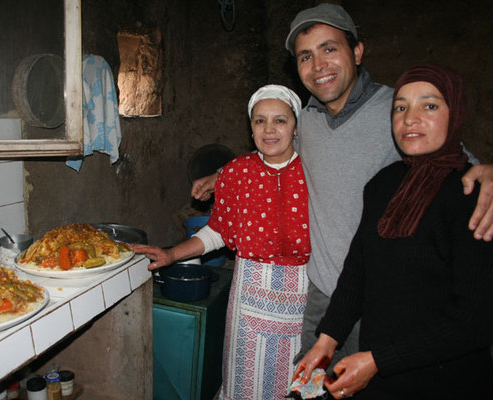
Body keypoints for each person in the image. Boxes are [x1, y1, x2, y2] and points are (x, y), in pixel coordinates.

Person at [191, 3, 493, 369]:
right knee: (311, 383)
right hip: (320, 294)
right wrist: (221, 174)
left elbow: (454, 160)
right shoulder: (308, 120)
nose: (318, 66)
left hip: (382, 297)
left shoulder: (396, 110)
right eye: (306, 56)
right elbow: (273, 152)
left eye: (329, 49)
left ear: (357, 51)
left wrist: (488, 172)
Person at [293, 64, 493, 399]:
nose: (410, 118)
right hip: (380, 376)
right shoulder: (382, 185)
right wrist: (326, 341)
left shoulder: (474, 196)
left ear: (455, 113)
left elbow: (475, 321)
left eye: (429, 106)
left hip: (443, 381)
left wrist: (377, 361)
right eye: (401, 107)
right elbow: (358, 271)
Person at [133, 85, 312, 400]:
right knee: (246, 386)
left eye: (280, 120)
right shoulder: (236, 173)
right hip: (249, 299)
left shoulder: (314, 171)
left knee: (300, 386)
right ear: (251, 128)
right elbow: (217, 232)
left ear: (296, 126)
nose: (269, 129)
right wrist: (171, 254)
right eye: (259, 121)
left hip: (306, 299)